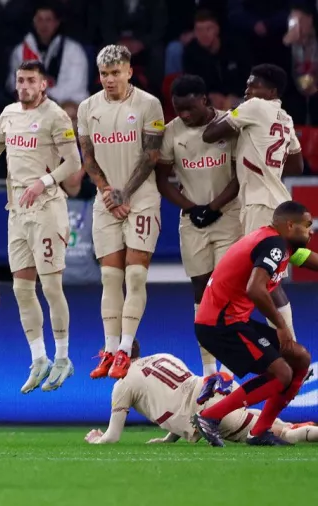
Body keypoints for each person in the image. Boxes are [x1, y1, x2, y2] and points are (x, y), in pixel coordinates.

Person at [0, 60, 82, 394]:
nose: (24, 87)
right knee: (21, 289)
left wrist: (43, 182)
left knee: (50, 287)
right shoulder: (8, 113)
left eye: (31, 81)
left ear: (44, 83)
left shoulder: (56, 116)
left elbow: (74, 163)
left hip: (46, 208)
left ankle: (63, 358)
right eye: (20, 80)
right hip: (16, 210)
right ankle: (39, 358)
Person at [192, 201, 314, 447]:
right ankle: (210, 417)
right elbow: (255, 289)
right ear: (290, 226)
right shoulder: (274, 245)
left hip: (231, 321)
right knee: (282, 373)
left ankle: (260, 431)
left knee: (299, 358)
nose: (311, 231)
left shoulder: (279, 243)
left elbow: (308, 259)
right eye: (307, 225)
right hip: (219, 325)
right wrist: (281, 327)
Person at [77, 45, 165, 380]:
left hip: (141, 198)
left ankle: (126, 350)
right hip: (106, 200)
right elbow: (87, 157)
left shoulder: (148, 104)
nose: (109, 80)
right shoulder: (88, 108)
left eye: (115, 73)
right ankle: (110, 349)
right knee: (110, 278)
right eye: (104, 74)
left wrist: (124, 193)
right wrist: (108, 193)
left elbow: (151, 156)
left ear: (129, 71)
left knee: (136, 275)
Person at [201, 64, 304, 348]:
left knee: (266, 284)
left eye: (253, 85)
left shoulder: (255, 107)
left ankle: (290, 347)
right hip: (280, 203)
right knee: (271, 280)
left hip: (260, 207)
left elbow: (210, 134)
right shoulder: (285, 117)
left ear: (270, 92)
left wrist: (233, 115)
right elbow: (297, 162)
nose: (248, 91)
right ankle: (290, 344)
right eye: (247, 85)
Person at [155, 75, 241, 382]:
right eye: (179, 109)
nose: (184, 115)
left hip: (229, 216)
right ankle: (208, 372)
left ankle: (229, 371)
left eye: (189, 108)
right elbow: (162, 179)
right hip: (192, 220)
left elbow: (239, 175)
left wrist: (214, 207)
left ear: (205, 100)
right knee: (200, 290)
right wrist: (192, 208)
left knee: (227, 289)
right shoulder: (171, 132)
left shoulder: (229, 127)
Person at [83, 341, 317, 445]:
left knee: (281, 434)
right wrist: (170, 438)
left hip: (208, 411)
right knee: (275, 424)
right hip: (216, 393)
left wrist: (97, 440)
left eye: (106, 354)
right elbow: (180, 393)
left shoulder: (123, 386)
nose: (104, 359)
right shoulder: (163, 356)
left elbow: (112, 437)